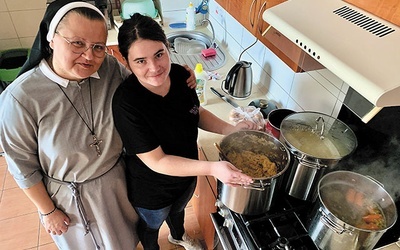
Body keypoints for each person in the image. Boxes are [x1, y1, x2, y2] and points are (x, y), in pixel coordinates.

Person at [0, 1, 196, 249]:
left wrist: (181, 74)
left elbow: (145, 84)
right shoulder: (21, 98)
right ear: (51, 38)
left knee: (128, 240)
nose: (89, 56)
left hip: (117, 183)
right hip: (71, 199)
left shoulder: (110, 69)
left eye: (98, 47)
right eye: (77, 43)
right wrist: (47, 211)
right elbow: (22, 166)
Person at [112, 13, 258, 250]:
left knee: (179, 210)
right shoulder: (126, 103)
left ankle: (177, 236)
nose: (154, 68)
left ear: (167, 48)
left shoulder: (181, 76)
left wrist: (230, 130)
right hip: (152, 187)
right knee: (151, 225)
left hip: (188, 173)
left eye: (159, 54)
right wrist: (212, 168)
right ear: (126, 61)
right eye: (141, 61)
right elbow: (157, 162)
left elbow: (195, 111)